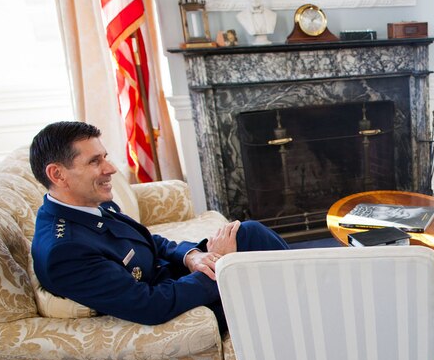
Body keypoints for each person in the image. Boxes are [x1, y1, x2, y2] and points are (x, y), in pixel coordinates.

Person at [30, 121, 290, 329]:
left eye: (105, 157)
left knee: (248, 232)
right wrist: (222, 263)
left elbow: (149, 241)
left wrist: (192, 257)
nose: (110, 169)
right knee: (267, 279)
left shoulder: (89, 205)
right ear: (57, 174)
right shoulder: (64, 251)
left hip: (178, 276)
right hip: (178, 305)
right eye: (94, 161)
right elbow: (150, 305)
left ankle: (315, 296)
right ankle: (313, 308)